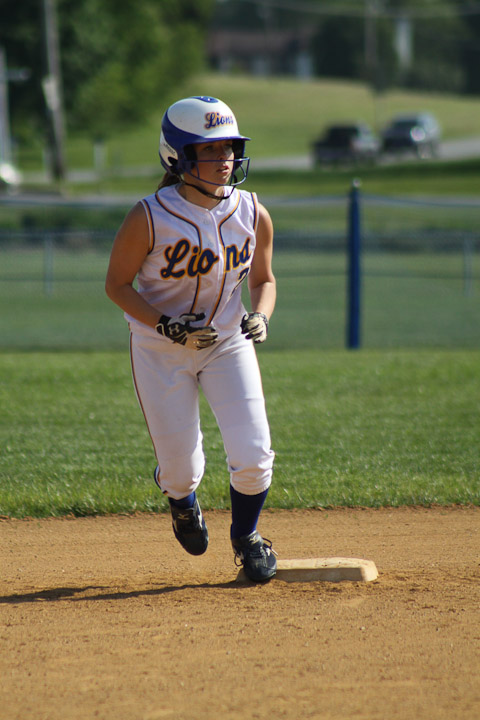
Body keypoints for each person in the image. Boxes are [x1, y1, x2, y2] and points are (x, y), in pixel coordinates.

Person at [105, 96, 277, 582]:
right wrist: (164, 324)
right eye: (210, 149)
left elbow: (264, 279)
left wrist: (261, 315)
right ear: (177, 157)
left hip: (226, 342)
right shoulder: (150, 216)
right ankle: (181, 501)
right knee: (180, 470)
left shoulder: (252, 211)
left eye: (229, 147)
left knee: (254, 454)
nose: (225, 158)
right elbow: (116, 285)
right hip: (161, 350)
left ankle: (247, 537)